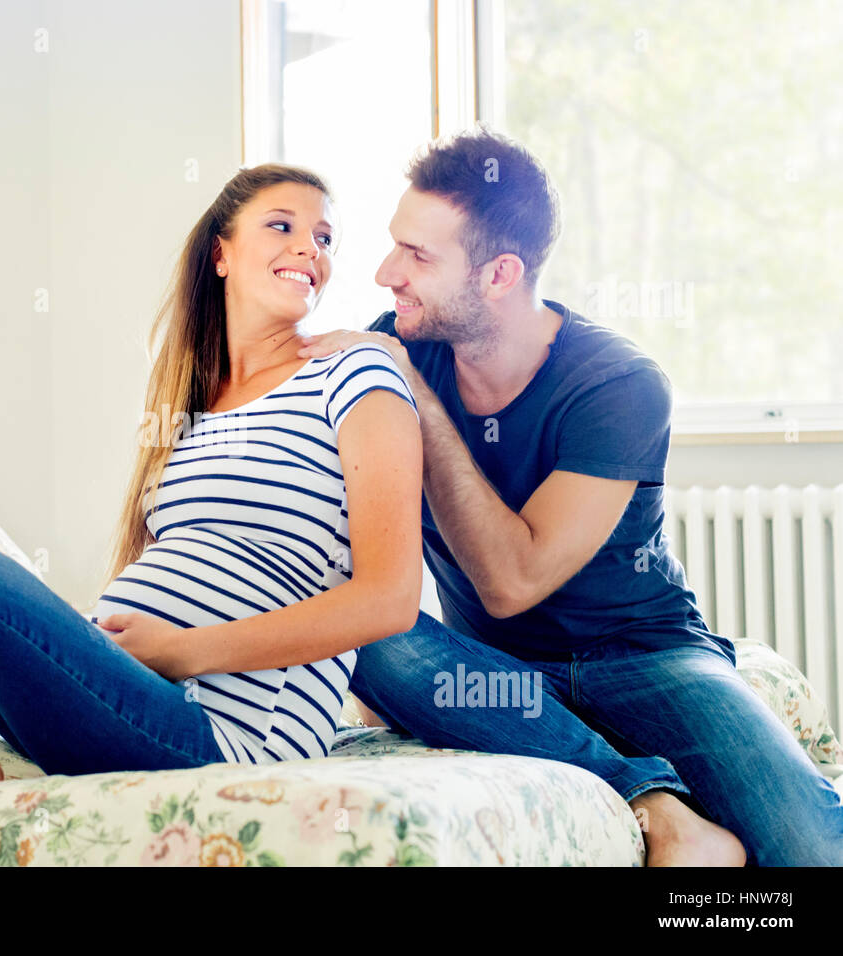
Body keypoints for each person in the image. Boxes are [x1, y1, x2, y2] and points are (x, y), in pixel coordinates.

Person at [0, 163, 423, 806]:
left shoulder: (356, 376)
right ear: (221, 253)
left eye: (324, 236)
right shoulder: (193, 403)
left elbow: (389, 599)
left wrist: (183, 650)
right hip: (125, 695)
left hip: (220, 734)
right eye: (283, 225)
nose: (311, 248)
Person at [298, 125, 843, 866]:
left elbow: (512, 582)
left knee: (807, 845)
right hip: (497, 673)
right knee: (360, 628)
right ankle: (658, 806)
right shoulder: (394, 344)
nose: (387, 273)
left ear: (499, 275)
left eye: (418, 256)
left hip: (645, 659)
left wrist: (418, 402)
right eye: (396, 244)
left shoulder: (617, 385)